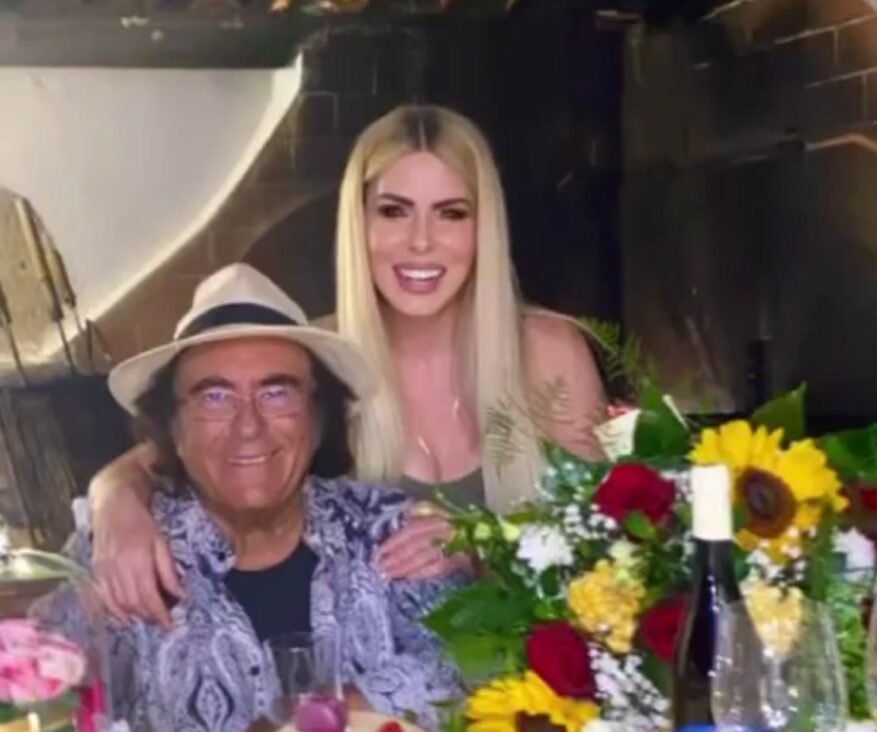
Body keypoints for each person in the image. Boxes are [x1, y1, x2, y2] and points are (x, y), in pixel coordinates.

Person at [36, 263, 467, 732]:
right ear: (172, 430)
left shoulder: (388, 530)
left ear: (317, 418)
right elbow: (38, 710)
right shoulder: (117, 557)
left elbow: (469, 665)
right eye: (214, 397)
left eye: (277, 393)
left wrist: (321, 716)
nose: (248, 427)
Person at [88, 104, 606, 624]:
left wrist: (483, 550)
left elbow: (609, 555)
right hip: (364, 671)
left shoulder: (549, 352)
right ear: (358, 223)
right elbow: (174, 448)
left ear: (483, 228)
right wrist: (115, 506)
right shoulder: (318, 355)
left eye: (451, 213)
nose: (421, 241)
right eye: (394, 212)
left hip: (535, 669)